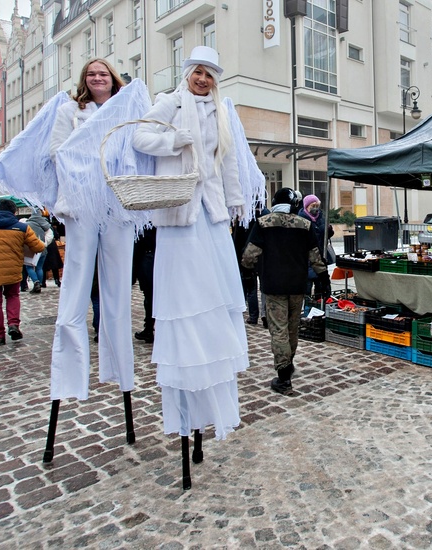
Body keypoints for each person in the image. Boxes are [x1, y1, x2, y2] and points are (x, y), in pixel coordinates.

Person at [132, 45, 253, 446]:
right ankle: (187, 367)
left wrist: (235, 200)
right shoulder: (169, 102)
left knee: (215, 292)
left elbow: (229, 161)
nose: (203, 80)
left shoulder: (221, 112)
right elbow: (139, 136)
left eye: (210, 75)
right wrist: (173, 141)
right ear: (188, 73)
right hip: (179, 210)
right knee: (184, 293)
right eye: (199, 72)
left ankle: (212, 356)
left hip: (211, 213)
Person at [48, 58, 136, 401]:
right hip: (82, 204)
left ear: (113, 79)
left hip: (116, 205)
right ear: (85, 79)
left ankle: (120, 371)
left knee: (118, 293)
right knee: (75, 288)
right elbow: (58, 152)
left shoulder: (124, 109)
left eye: (103, 73)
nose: (98, 78)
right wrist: (93, 151)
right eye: (92, 73)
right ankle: (68, 378)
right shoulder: (69, 112)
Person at [241, 187, 331, 395]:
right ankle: (288, 364)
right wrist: (324, 279)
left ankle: (283, 377)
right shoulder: (305, 224)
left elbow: (249, 255)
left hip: (274, 286)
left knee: (278, 330)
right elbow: (316, 256)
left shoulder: (264, 223)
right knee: (292, 327)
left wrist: (248, 272)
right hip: (297, 285)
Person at [0, 198, 45, 344]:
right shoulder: (22, 228)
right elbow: (39, 247)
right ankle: (13, 325)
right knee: (12, 296)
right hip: (13, 270)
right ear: (14, 211)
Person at [299, 194, 334, 295]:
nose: (315, 209)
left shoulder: (322, 218)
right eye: (313, 206)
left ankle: (319, 308)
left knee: (322, 288)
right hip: (307, 258)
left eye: (317, 206)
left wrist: (329, 230)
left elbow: (327, 235)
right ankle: (308, 308)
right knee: (307, 288)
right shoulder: (301, 219)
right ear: (306, 206)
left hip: (321, 256)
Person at [132, 227, 156, 343]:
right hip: (154, 257)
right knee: (151, 297)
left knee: (150, 298)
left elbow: (137, 245)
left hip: (147, 258)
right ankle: (149, 328)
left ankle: (148, 329)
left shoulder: (144, 223)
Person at [24, 207, 53, 293]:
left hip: (30, 249)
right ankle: (39, 284)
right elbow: (50, 236)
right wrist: (44, 244)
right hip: (42, 249)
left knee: (29, 267)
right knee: (39, 268)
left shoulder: (27, 224)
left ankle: (36, 283)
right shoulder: (45, 224)